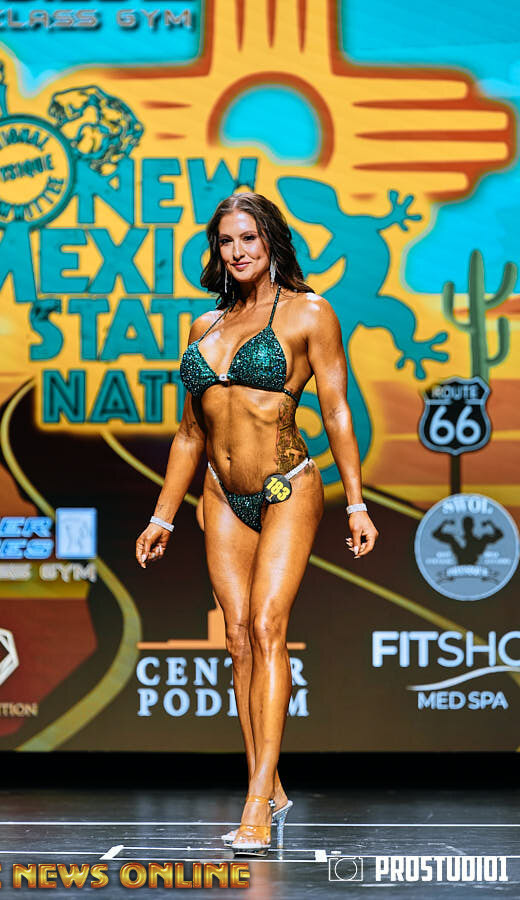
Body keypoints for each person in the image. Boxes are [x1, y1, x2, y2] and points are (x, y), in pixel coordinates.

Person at [135, 192, 379, 853]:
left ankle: (255, 804)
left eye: (248, 237)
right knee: (239, 641)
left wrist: (356, 503)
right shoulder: (204, 325)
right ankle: (269, 783)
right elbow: (190, 433)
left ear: (271, 240)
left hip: (286, 487)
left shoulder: (309, 312)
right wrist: (163, 517)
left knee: (269, 627)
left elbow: (337, 411)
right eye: (226, 241)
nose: (237, 250)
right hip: (220, 496)